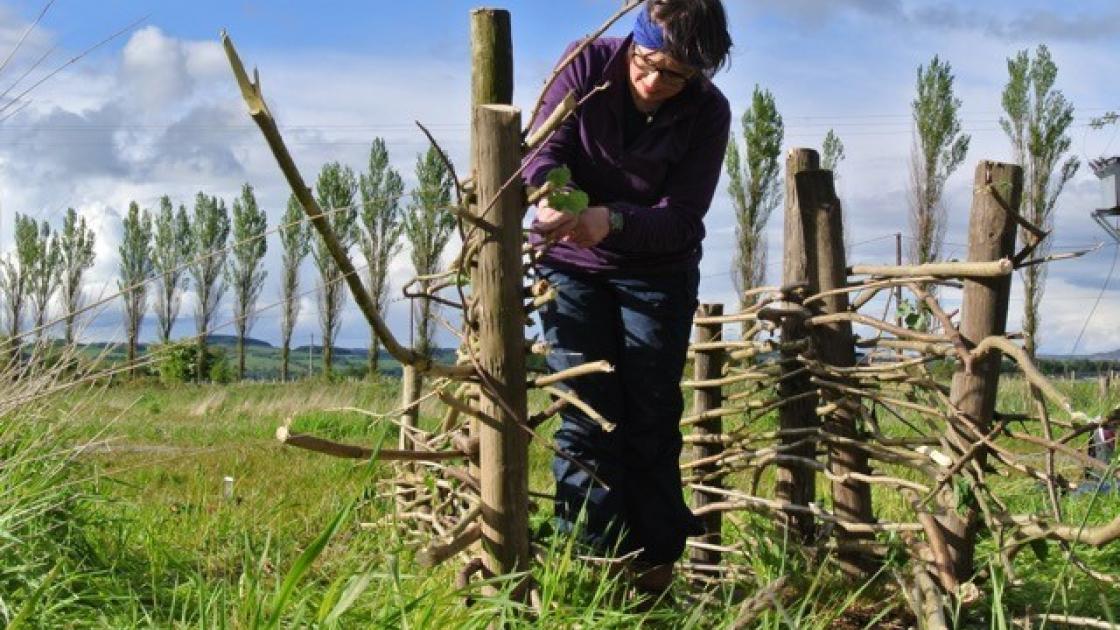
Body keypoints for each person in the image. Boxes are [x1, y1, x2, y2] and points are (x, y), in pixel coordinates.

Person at [522, 0, 733, 593]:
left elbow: (684, 218)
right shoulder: (587, 65)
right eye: (647, 63)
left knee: (652, 419)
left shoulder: (708, 112)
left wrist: (610, 221)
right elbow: (542, 148)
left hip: (656, 275)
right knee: (586, 416)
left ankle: (652, 573)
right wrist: (547, 195)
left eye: (676, 75)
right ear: (633, 43)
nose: (654, 82)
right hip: (570, 266)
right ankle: (586, 568)